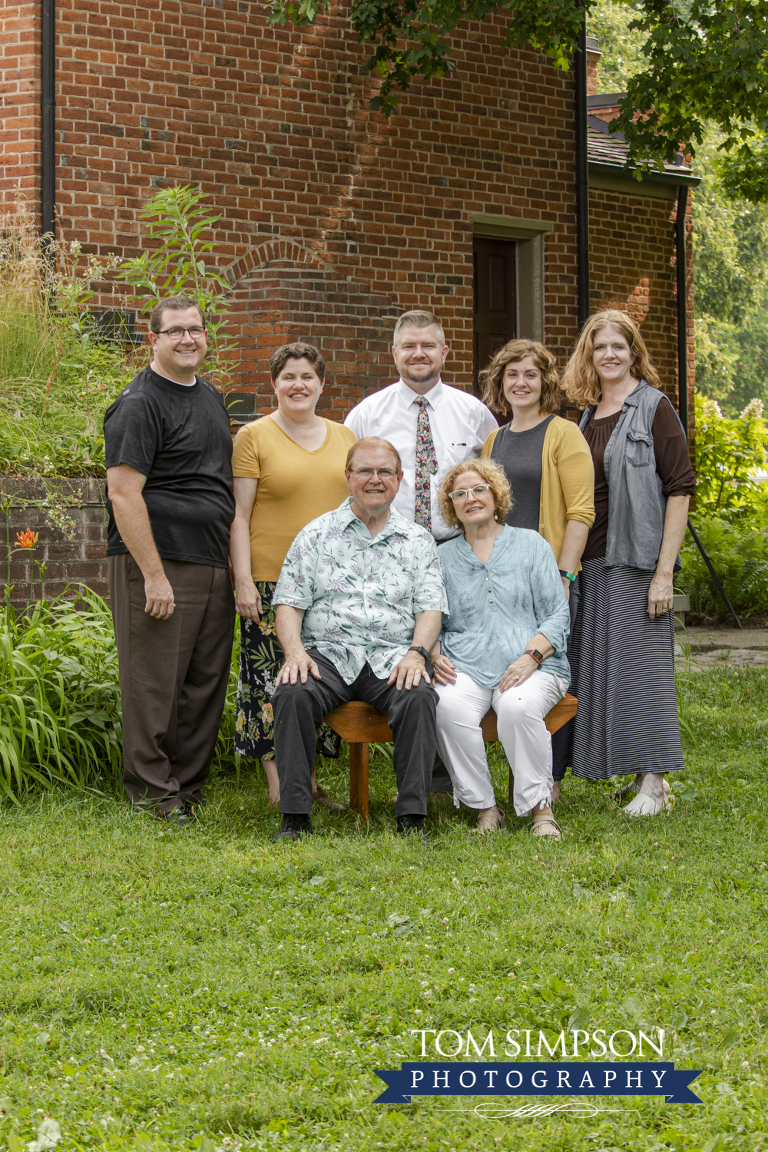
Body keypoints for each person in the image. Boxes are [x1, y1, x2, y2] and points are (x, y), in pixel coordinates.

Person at [345, 309, 497, 794]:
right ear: (394, 353)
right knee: (404, 651)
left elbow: (489, 483)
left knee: (453, 651)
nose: (418, 354)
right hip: (391, 552)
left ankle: (462, 765)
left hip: (456, 549)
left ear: (444, 352)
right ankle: (425, 774)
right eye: (408, 346)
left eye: (428, 345)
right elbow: (350, 483)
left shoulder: (473, 412)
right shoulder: (368, 413)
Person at [270, 437, 448, 842]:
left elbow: (430, 607)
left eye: (385, 471)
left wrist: (418, 654)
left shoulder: (418, 541)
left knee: (418, 694)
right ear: (348, 477)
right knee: (292, 690)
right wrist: (295, 653)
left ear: (399, 479)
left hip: (392, 656)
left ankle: (412, 818)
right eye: (365, 471)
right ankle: (295, 816)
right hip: (329, 653)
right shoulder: (315, 535)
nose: (374, 479)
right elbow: (289, 604)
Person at [104, 293, 236, 821]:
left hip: (210, 561)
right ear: (152, 339)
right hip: (159, 562)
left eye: (196, 330)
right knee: (154, 682)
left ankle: (188, 785)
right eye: (176, 330)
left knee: (205, 681)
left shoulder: (209, 396)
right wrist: (153, 575)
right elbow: (123, 493)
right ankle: (154, 793)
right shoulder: (139, 404)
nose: (188, 339)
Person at [561, 309, 696, 815]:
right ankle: (635, 773)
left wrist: (665, 573)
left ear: (633, 351)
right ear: (589, 356)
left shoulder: (654, 408)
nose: (610, 355)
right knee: (600, 669)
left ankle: (655, 783)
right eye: (600, 347)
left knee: (644, 670)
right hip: (592, 561)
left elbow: (680, 489)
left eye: (619, 345)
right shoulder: (586, 415)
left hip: (638, 562)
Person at [229, 342, 356, 807]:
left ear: (322, 384)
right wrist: (243, 580)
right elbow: (239, 515)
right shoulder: (254, 436)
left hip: (330, 585)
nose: (298, 385)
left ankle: (311, 783)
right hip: (270, 581)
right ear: (273, 384)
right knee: (271, 681)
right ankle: (280, 788)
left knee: (318, 678)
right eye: (288, 377)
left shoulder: (345, 437)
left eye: (307, 377)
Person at [479, 338, 594, 802]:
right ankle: (519, 779)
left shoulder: (564, 434)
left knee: (551, 672)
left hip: (551, 579)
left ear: (545, 382)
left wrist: (563, 578)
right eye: (512, 375)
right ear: (500, 383)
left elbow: (581, 512)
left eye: (530, 374)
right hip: (504, 580)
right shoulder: (494, 439)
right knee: (513, 673)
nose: (521, 383)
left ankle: (554, 782)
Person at [430, 458, 571, 838]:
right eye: (459, 494)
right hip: (464, 665)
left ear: (496, 495)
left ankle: (541, 811)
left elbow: (558, 615)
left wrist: (532, 657)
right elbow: (430, 616)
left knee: (516, 706)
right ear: (451, 506)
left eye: (479, 489)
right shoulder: (441, 557)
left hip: (532, 665)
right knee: (445, 708)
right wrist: (434, 650)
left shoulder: (531, 545)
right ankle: (486, 808)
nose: (470, 498)